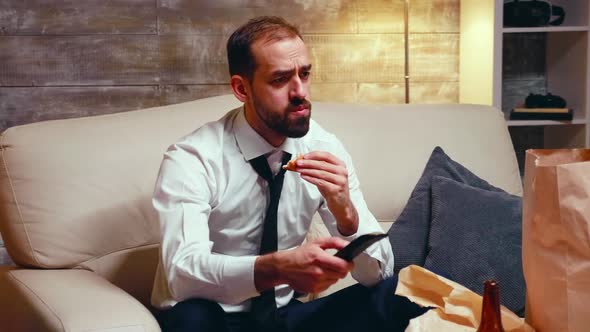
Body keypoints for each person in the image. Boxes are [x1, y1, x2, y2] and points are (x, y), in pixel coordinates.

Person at [151, 16, 427, 332]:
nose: (300, 92)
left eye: (305, 74)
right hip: (214, 318)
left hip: (284, 320)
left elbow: (378, 276)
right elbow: (182, 274)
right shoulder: (193, 158)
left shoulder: (324, 146)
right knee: (193, 318)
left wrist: (347, 214)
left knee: (401, 294)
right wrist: (278, 268)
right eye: (280, 79)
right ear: (242, 88)